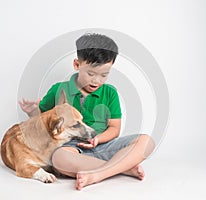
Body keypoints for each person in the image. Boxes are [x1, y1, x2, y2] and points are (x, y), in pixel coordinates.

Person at [19, 33, 155, 190]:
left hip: (103, 144)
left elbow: (114, 128)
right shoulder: (58, 89)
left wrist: (98, 139)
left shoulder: (110, 93)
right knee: (58, 159)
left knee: (146, 141)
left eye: (104, 75)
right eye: (91, 73)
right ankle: (123, 167)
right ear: (77, 65)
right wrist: (32, 111)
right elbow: (42, 122)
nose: (97, 80)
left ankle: (98, 174)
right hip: (71, 147)